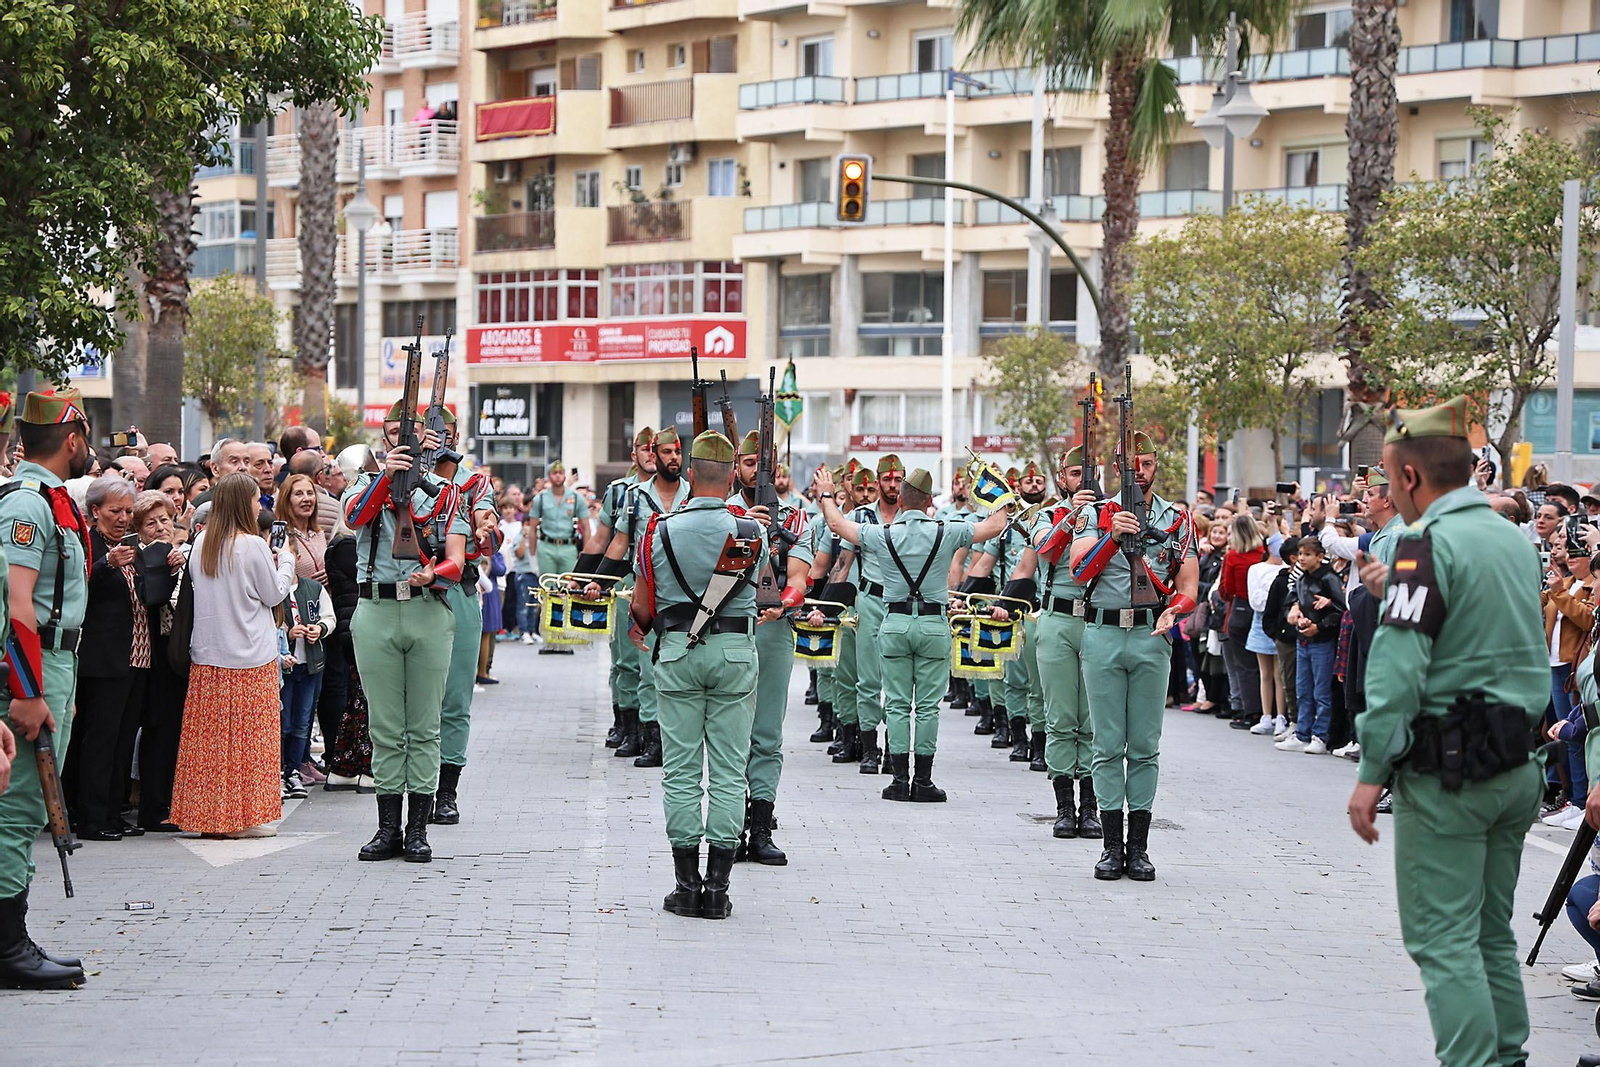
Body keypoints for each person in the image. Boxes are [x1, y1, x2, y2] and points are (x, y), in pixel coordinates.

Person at [1347, 396, 1547, 1067]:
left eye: (1387, 476)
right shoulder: (1511, 539)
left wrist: (1371, 771)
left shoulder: (1423, 544)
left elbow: (1397, 672)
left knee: (1442, 938)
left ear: (1410, 476)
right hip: (1515, 764)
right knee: (1490, 933)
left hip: (1450, 773)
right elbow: (1482, 627)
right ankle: (1508, 1057)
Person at [630, 430, 767, 920]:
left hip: (678, 654)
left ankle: (686, 886)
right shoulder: (751, 532)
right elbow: (762, 591)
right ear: (732, 478)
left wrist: (642, 624)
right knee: (729, 771)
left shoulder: (658, 531)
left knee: (682, 771)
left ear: (689, 475)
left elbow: (642, 607)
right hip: (734, 655)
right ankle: (718, 889)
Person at [817, 466, 1011, 801]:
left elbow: (836, 524)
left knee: (896, 703)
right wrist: (999, 491)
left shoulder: (882, 534)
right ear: (928, 501)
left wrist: (825, 493)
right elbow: (995, 524)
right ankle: (922, 781)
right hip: (933, 625)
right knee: (928, 707)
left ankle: (898, 780)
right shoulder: (948, 530)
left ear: (902, 502)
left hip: (894, 622)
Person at [1069, 429, 1198, 882]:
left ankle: (1138, 848)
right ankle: (1110, 847)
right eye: (1131, 465)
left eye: (1146, 464)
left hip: (1149, 636)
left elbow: (1188, 588)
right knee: (1107, 745)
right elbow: (1078, 569)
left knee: (1144, 746)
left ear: (1156, 465)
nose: (1139, 472)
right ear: (1115, 468)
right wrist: (1112, 535)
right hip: (1103, 633)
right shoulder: (1092, 514)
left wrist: (1174, 612)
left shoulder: (1176, 519)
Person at [0, 389, 92, 989]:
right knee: (18, 809)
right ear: (72, 440)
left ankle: (14, 938)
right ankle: (7, 947)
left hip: (57, 662)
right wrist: (31, 689)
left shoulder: (48, 500)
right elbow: (18, 608)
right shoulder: (28, 504)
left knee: (30, 805)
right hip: (34, 666)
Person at [343, 410, 460, 862]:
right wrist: (386, 477)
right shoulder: (364, 482)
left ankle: (417, 830)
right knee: (386, 727)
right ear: (385, 438)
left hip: (427, 610)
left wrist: (435, 572)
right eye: (395, 433)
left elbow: (457, 557)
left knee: (425, 728)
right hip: (375, 607)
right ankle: (387, 828)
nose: (403, 440)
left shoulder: (443, 490)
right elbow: (355, 517)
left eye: (412, 433)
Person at [169, 473, 297, 841]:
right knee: (250, 743)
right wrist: (286, 561)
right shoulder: (252, 545)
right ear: (244, 503)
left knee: (210, 744)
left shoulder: (202, 542)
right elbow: (273, 594)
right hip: (250, 655)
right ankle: (242, 818)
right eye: (256, 500)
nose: (259, 507)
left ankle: (210, 817)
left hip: (208, 654)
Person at [726, 432, 811, 865]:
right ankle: (729, 828)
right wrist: (745, 525)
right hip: (727, 627)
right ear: (734, 465)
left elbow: (797, 579)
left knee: (767, 734)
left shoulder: (795, 518)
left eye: (764, 463)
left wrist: (782, 604)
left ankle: (760, 828)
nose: (757, 471)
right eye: (748, 462)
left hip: (773, 630)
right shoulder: (719, 513)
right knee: (730, 733)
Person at [588, 428, 691, 767]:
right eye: (666, 452)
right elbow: (618, 542)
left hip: (686, 595)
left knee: (679, 668)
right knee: (642, 666)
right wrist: (597, 580)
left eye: (677, 452)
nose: (673, 458)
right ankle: (649, 737)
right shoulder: (634, 496)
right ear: (653, 455)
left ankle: (676, 737)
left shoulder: (693, 494)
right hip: (642, 589)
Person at [65, 476, 147, 841]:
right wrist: (105, 564)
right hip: (103, 659)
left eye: (128, 511)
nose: (123, 518)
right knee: (99, 739)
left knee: (122, 739)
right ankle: (92, 816)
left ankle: (114, 812)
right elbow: (76, 587)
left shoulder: (132, 546)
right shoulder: (88, 544)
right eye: (115, 511)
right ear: (95, 511)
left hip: (137, 656)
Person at [1031, 446, 1105, 838]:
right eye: (1075, 474)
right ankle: (1064, 807)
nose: (1082, 480)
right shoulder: (1046, 515)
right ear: (1062, 478)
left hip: (1097, 621)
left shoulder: (1110, 515)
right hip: (1058, 620)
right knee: (1060, 718)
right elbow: (1046, 549)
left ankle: (1090, 807)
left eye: (1088, 473)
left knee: (1092, 721)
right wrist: (1073, 518)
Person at [580, 427, 655, 746]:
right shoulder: (620, 490)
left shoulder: (680, 490)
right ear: (634, 455)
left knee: (653, 660)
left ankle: (651, 729)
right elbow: (602, 539)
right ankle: (626, 724)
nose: (652, 455)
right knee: (624, 658)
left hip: (662, 582)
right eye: (646, 449)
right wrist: (583, 578)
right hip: (625, 578)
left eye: (657, 449)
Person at [129, 490, 186, 832]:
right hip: (150, 655)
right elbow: (154, 598)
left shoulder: (183, 554)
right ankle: (153, 806)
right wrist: (168, 570)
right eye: (151, 523)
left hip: (177, 653)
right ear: (139, 529)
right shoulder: (137, 558)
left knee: (173, 730)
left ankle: (170, 802)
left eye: (165, 520)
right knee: (158, 730)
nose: (161, 527)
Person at [276, 474, 334, 798]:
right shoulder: (283, 534)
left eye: (310, 493)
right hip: (287, 650)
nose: (306, 499)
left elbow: (328, 615)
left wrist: (320, 628)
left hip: (311, 639)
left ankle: (297, 765)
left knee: (304, 715)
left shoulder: (319, 532)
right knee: (285, 718)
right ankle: (283, 769)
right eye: (298, 493)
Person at [1276, 537, 1344, 754]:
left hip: (1322, 641)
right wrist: (1296, 614)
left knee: (1321, 691)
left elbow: (1341, 610)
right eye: (1300, 554)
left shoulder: (1329, 579)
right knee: (1303, 689)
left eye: (1307, 554)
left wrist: (1319, 626)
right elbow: (1289, 603)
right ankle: (1302, 733)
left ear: (1320, 557)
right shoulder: (1300, 579)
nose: (1302, 558)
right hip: (1303, 639)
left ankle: (1320, 735)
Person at [526, 460, 583, 655]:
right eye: (554, 473)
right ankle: (549, 639)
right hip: (547, 546)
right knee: (548, 592)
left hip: (568, 546)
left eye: (560, 473)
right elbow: (532, 528)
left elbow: (586, 527)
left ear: (565, 476)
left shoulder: (575, 498)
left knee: (568, 591)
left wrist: (587, 556)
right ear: (549, 476)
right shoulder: (541, 498)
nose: (557, 476)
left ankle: (565, 638)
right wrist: (532, 556)